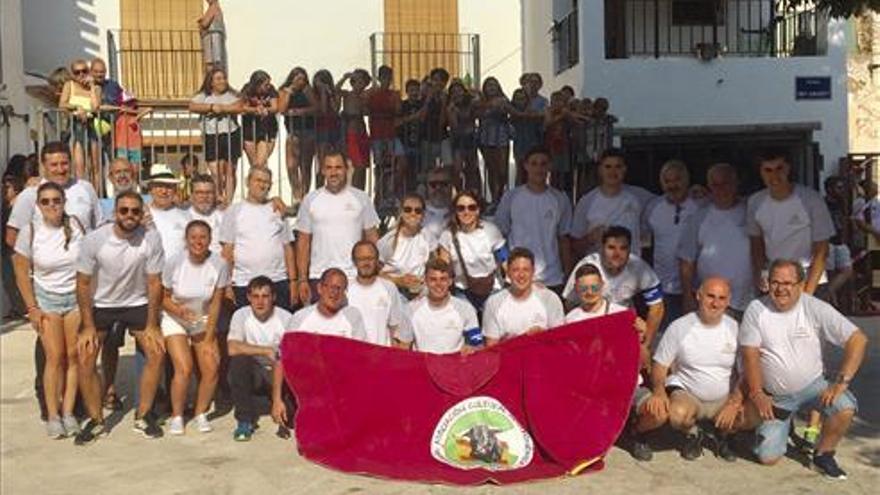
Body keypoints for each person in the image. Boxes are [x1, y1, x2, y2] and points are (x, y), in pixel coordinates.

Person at [740, 259, 867, 479]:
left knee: (845, 406)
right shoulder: (756, 309)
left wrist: (841, 382)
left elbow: (858, 340)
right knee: (768, 457)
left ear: (801, 284)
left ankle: (824, 454)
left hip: (813, 387)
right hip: (777, 397)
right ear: (767, 283)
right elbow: (750, 355)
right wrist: (757, 393)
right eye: (775, 282)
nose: (781, 289)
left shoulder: (814, 308)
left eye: (788, 283)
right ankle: (779, 426)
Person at [74, 191, 165, 444]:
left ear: (141, 214)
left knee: (156, 352)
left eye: (135, 211)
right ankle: (95, 420)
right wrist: (88, 326)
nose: (129, 216)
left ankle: (144, 415)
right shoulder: (94, 240)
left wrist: (152, 325)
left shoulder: (152, 239)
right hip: (101, 304)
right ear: (115, 212)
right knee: (85, 356)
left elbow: (155, 282)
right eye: (124, 210)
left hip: (137, 303)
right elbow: (82, 284)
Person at [638, 277, 744, 462]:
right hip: (689, 394)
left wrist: (735, 402)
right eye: (710, 296)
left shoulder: (735, 328)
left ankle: (723, 436)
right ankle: (692, 434)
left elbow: (745, 371)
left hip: (723, 397)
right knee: (676, 414)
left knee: (752, 413)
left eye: (721, 298)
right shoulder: (680, 327)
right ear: (699, 296)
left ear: (728, 301)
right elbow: (660, 365)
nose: (715, 303)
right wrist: (658, 390)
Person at [12, 183, 85, 438]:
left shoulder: (76, 225)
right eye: (46, 201)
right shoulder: (30, 231)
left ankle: (68, 412)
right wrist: (31, 307)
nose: (52, 205)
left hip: (75, 299)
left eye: (56, 200)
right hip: (47, 300)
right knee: (54, 357)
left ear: (64, 201)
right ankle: (53, 415)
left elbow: (88, 263)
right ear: (38, 205)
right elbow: (21, 270)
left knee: (73, 356)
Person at [160, 220, 228, 435]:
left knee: (211, 366)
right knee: (184, 368)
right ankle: (177, 416)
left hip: (203, 317)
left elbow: (216, 302)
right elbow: (162, 297)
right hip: (175, 316)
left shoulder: (220, 264)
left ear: (210, 240)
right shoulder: (174, 262)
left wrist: (209, 338)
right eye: (193, 237)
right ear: (186, 240)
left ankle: (200, 412)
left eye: (203, 237)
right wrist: (179, 311)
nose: (198, 242)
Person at [563, 226, 665, 367]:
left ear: (630, 250)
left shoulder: (639, 268)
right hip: (593, 329)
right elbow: (570, 304)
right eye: (611, 247)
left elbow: (657, 306)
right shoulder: (587, 266)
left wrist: (645, 344)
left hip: (625, 327)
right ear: (601, 248)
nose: (617, 254)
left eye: (623, 248)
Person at [294, 151, 380, 304]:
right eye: (329, 167)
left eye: (338, 167)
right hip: (319, 277)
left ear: (347, 169)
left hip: (354, 276)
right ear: (322, 170)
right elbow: (303, 243)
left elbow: (373, 240)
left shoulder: (361, 198)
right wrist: (302, 279)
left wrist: (375, 273)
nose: (333, 172)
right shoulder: (310, 200)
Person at [747, 149, 834, 295]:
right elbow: (756, 244)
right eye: (768, 170)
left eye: (779, 168)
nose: (774, 175)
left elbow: (822, 250)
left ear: (788, 168)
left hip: (808, 278)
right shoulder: (755, 202)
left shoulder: (811, 200)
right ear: (761, 173)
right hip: (775, 281)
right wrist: (761, 274)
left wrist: (808, 294)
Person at [678, 163, 753, 319]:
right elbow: (687, 260)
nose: (721, 189)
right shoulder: (699, 217)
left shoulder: (751, 211)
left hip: (749, 300)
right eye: (715, 184)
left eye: (725, 183)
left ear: (736, 183)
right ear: (709, 187)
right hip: (712, 303)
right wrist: (687, 297)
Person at [495, 147, 573, 293]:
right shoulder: (511, 197)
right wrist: (506, 265)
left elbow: (564, 238)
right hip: (518, 275)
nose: (539, 168)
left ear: (550, 166)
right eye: (534, 163)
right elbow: (499, 237)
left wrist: (568, 272)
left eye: (543, 164)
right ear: (525, 166)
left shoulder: (560, 199)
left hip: (552, 277)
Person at [226, 276, 295, 441]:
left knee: (292, 419)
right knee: (239, 361)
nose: (260, 302)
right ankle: (244, 420)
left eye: (265, 296)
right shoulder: (241, 315)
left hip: (280, 374)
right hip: (254, 372)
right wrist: (265, 350)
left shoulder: (286, 318)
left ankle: (278, 402)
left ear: (274, 298)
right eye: (255, 296)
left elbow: (290, 356)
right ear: (248, 297)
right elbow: (232, 348)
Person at [219, 167, 297, 310]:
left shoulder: (277, 209)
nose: (262, 185)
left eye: (266, 182)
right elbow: (227, 252)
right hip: (244, 284)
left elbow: (288, 248)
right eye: (258, 180)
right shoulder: (234, 211)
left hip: (277, 281)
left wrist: (293, 282)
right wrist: (227, 284)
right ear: (248, 182)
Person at [6, 142, 101, 249]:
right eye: (54, 165)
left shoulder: (86, 188)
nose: (60, 170)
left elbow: (99, 226)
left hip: (84, 263)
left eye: (64, 163)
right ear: (43, 165)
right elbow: (12, 236)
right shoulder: (30, 195)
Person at [643, 160, 702, 325]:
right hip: (663, 287)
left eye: (677, 180)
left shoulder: (700, 205)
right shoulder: (653, 207)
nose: (672, 185)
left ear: (687, 180)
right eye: (667, 181)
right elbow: (645, 243)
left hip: (695, 287)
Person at [437, 190, 508, 312]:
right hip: (463, 290)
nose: (466, 212)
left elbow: (504, 260)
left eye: (471, 207)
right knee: (467, 328)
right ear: (455, 211)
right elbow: (443, 267)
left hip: (491, 289)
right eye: (461, 208)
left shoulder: (491, 230)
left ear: (478, 210)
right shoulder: (447, 235)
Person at [571, 148, 650, 257]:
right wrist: (590, 238)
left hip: (631, 270)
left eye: (618, 167)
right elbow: (574, 246)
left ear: (625, 169)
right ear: (600, 170)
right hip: (599, 270)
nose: (613, 172)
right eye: (608, 167)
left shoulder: (640, 197)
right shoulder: (586, 202)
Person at [482, 248, 564, 345]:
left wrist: (542, 334)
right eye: (515, 270)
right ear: (508, 273)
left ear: (533, 272)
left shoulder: (550, 299)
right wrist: (522, 340)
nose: (521, 275)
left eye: (526, 270)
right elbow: (492, 347)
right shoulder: (493, 303)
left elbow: (560, 340)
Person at [406, 256, 481, 354]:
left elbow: (477, 344)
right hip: (422, 367)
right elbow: (403, 347)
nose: (438, 284)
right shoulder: (410, 309)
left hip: (454, 367)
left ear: (450, 281)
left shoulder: (466, 309)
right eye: (433, 279)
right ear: (426, 281)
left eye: (443, 279)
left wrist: (471, 348)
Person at [189, 67, 241, 204]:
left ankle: (228, 201)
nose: (222, 81)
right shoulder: (204, 95)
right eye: (218, 79)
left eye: (224, 78)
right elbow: (192, 106)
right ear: (211, 82)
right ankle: (218, 197)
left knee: (230, 171)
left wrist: (222, 109)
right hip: (211, 134)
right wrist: (211, 107)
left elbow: (239, 106)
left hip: (231, 133)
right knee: (216, 171)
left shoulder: (232, 94)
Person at [347, 242, 407, 346]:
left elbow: (395, 327)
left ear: (377, 260)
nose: (366, 263)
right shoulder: (345, 289)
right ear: (354, 262)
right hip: (352, 354)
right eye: (361, 259)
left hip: (381, 356)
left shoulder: (389, 288)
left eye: (370, 258)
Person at [377, 194, 436, 299]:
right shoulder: (388, 240)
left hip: (420, 296)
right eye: (408, 210)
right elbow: (376, 274)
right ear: (401, 212)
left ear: (423, 214)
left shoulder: (428, 236)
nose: (413, 213)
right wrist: (399, 281)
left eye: (418, 211)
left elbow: (434, 266)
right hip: (394, 294)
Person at [278, 67, 318, 203]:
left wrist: (301, 111)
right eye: (298, 79)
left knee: (305, 165)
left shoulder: (307, 90)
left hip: (308, 130)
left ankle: (304, 194)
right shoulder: (284, 91)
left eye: (303, 79)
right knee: (291, 165)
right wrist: (290, 92)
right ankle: (296, 194)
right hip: (292, 131)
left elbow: (316, 107)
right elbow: (282, 109)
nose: (300, 82)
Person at [59, 59, 101, 187]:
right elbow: (62, 104)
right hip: (75, 126)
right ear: (72, 74)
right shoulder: (69, 85)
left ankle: (96, 195)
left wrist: (92, 87)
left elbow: (95, 107)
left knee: (95, 165)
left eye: (84, 71)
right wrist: (77, 107)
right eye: (77, 72)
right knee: (79, 166)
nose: (81, 74)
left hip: (91, 126)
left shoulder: (97, 88)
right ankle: (80, 192)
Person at [366, 65, 401, 204]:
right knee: (379, 165)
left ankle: (389, 192)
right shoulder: (372, 94)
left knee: (391, 165)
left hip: (390, 133)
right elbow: (365, 107)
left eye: (388, 77)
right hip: (377, 134)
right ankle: (379, 193)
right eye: (384, 77)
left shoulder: (394, 94)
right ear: (379, 78)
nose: (386, 80)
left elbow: (398, 110)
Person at [477, 77, 511, 205]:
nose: (491, 88)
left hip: (501, 135)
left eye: (494, 85)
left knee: (502, 169)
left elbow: (509, 111)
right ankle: (495, 199)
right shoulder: (480, 101)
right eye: (488, 85)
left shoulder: (503, 99)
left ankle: (501, 194)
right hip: (486, 136)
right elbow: (476, 113)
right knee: (491, 169)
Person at [337, 69, 372, 189]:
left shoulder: (365, 96)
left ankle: (361, 190)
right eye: (357, 80)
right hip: (351, 132)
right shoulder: (347, 94)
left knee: (363, 165)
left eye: (363, 81)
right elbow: (335, 90)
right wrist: (344, 77)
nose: (360, 84)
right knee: (355, 164)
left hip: (361, 131)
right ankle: (352, 189)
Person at [145, 164, 189, 261]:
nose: (164, 191)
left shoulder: (186, 215)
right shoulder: (141, 215)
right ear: (150, 189)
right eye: (159, 186)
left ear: (175, 190)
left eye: (169, 187)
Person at [239, 70, 279, 169]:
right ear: (257, 85)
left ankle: (261, 182)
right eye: (265, 84)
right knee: (254, 164)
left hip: (266, 129)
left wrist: (266, 110)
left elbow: (275, 107)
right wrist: (254, 110)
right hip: (249, 128)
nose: (268, 86)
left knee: (261, 163)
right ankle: (254, 182)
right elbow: (241, 106)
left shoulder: (271, 90)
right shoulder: (247, 89)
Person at [447, 80, 480, 194]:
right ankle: (459, 191)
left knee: (471, 167)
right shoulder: (451, 107)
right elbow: (454, 126)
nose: (457, 93)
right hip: (457, 139)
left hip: (470, 138)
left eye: (459, 90)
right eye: (454, 91)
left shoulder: (470, 103)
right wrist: (452, 113)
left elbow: (476, 114)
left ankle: (471, 191)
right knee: (457, 168)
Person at [396, 78, 423, 193]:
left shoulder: (422, 105)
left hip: (419, 142)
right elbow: (396, 122)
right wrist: (411, 118)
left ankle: (415, 193)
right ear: (407, 92)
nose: (414, 93)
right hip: (403, 141)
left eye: (416, 90)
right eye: (411, 90)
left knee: (417, 170)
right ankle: (398, 192)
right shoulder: (402, 105)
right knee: (403, 167)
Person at [186, 174, 225, 254]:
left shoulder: (224, 218)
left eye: (209, 192)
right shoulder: (182, 218)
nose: (204, 196)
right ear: (191, 195)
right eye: (199, 192)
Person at [422, 167, 453, 242]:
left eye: (444, 184)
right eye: (433, 184)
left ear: (451, 186)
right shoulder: (414, 212)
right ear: (426, 187)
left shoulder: (464, 211)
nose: (438, 188)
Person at [197, 0, 226, 71]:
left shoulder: (213, 7)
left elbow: (205, 23)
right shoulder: (217, 8)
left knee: (212, 62)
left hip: (212, 38)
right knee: (214, 62)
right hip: (214, 37)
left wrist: (201, 23)